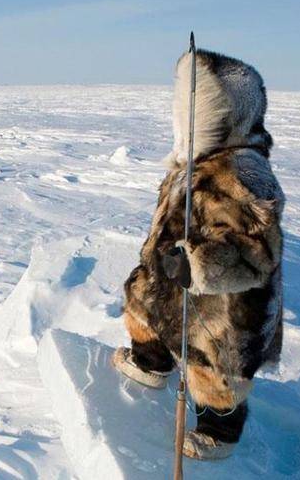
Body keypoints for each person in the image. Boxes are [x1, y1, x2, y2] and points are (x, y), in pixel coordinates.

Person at [112, 48, 285, 460]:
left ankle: (218, 430)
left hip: (222, 300)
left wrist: (201, 263)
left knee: (215, 361)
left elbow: (258, 252)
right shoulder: (189, 163)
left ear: (223, 114)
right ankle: (151, 363)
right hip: (168, 277)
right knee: (144, 305)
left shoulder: (244, 172)